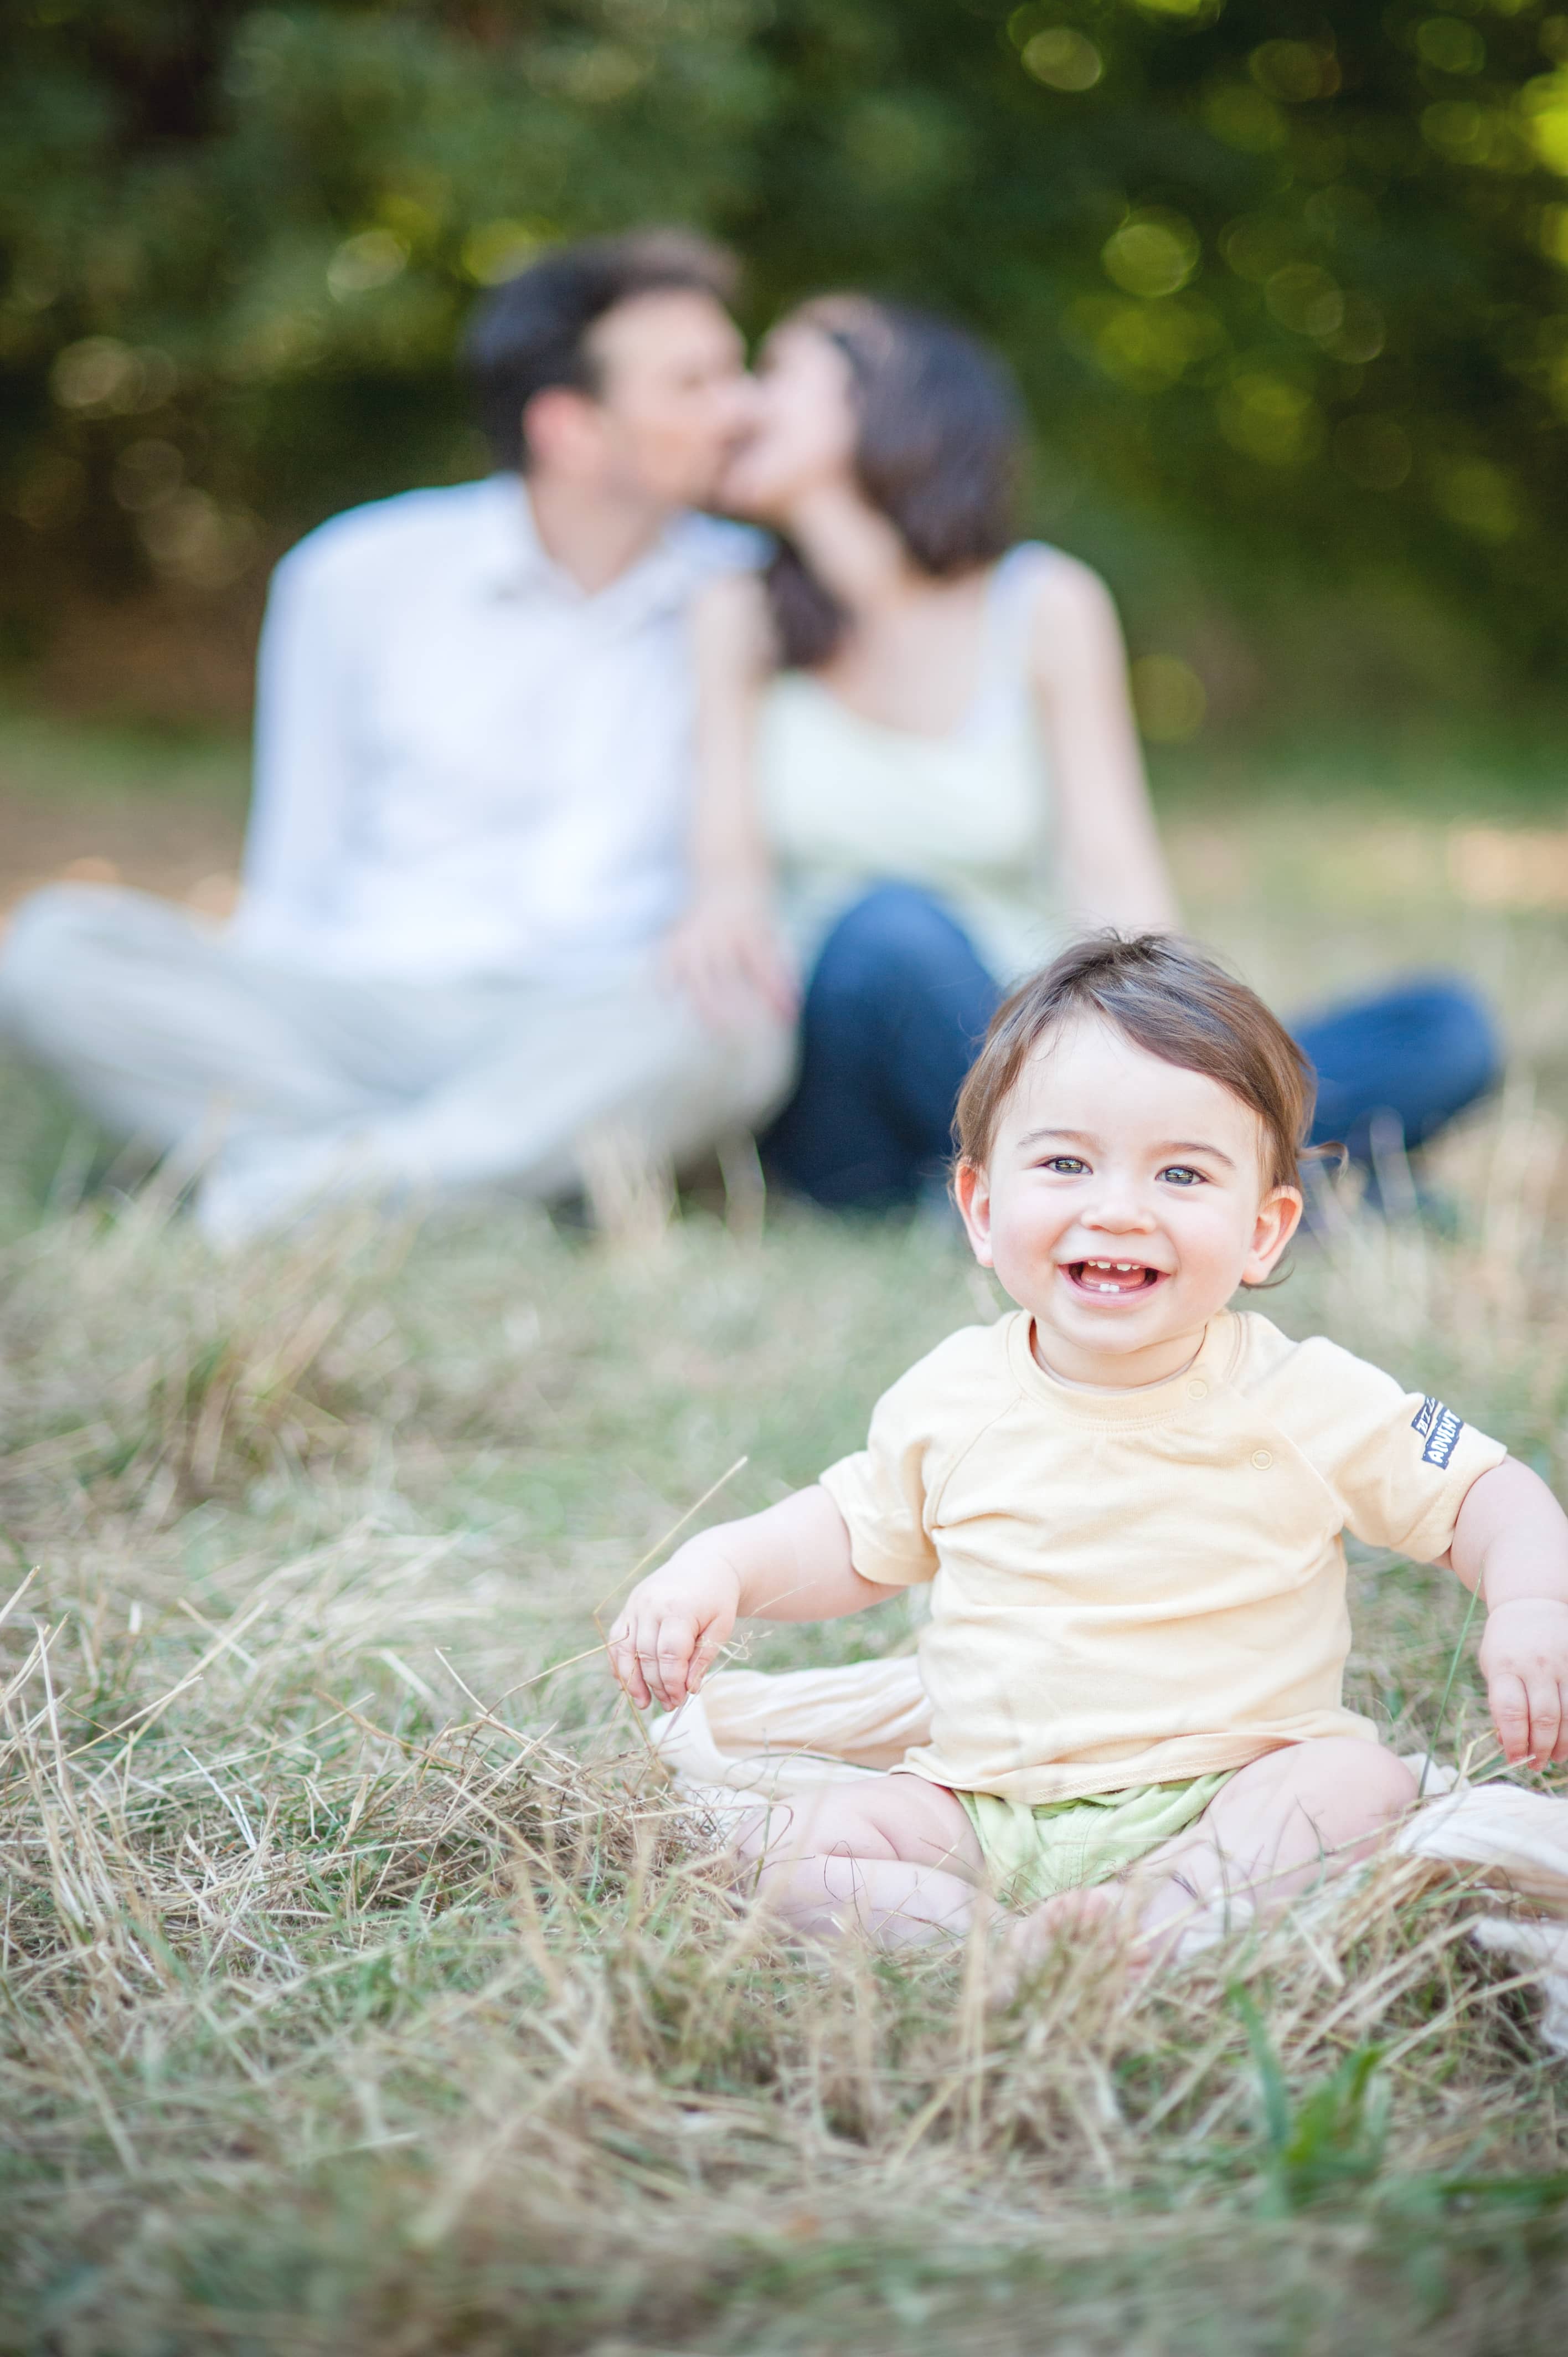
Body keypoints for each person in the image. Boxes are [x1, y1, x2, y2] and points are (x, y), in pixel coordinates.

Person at [608, 934, 1568, 1968]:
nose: (1117, 1208)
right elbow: (848, 1534)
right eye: (1065, 1163)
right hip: (982, 1806)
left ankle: (1162, 1909)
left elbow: (1489, 1495)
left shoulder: (1305, 1395)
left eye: (1182, 1174)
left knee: (1358, 1788)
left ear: (1265, 1230)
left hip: (1233, 1786)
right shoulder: (954, 1395)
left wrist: (1532, 1606)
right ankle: (999, 1948)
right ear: (981, 1208)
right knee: (759, 1854)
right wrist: (720, 1568)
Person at [0, 231, 793, 1242]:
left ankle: (279, 1194)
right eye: (696, 383)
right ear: (572, 429)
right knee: (54, 955)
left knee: (741, 1034)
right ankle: (483, 1182)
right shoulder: (357, 575)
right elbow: (297, 856)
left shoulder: (752, 596)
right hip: (353, 1005)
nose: (744, 409)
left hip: (593, 1019)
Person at [673, 293, 1499, 1212]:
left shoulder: (1044, 606)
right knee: (890, 930)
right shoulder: (736, 614)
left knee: (1445, 1028)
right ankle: (1223, 1191)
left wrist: (1185, 1048)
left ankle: (1114, 1176)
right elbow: (728, 880)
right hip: (846, 1096)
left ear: (887, 402)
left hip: (1049, 1050)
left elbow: (1116, 876)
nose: (740, 405)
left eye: (776, 373)